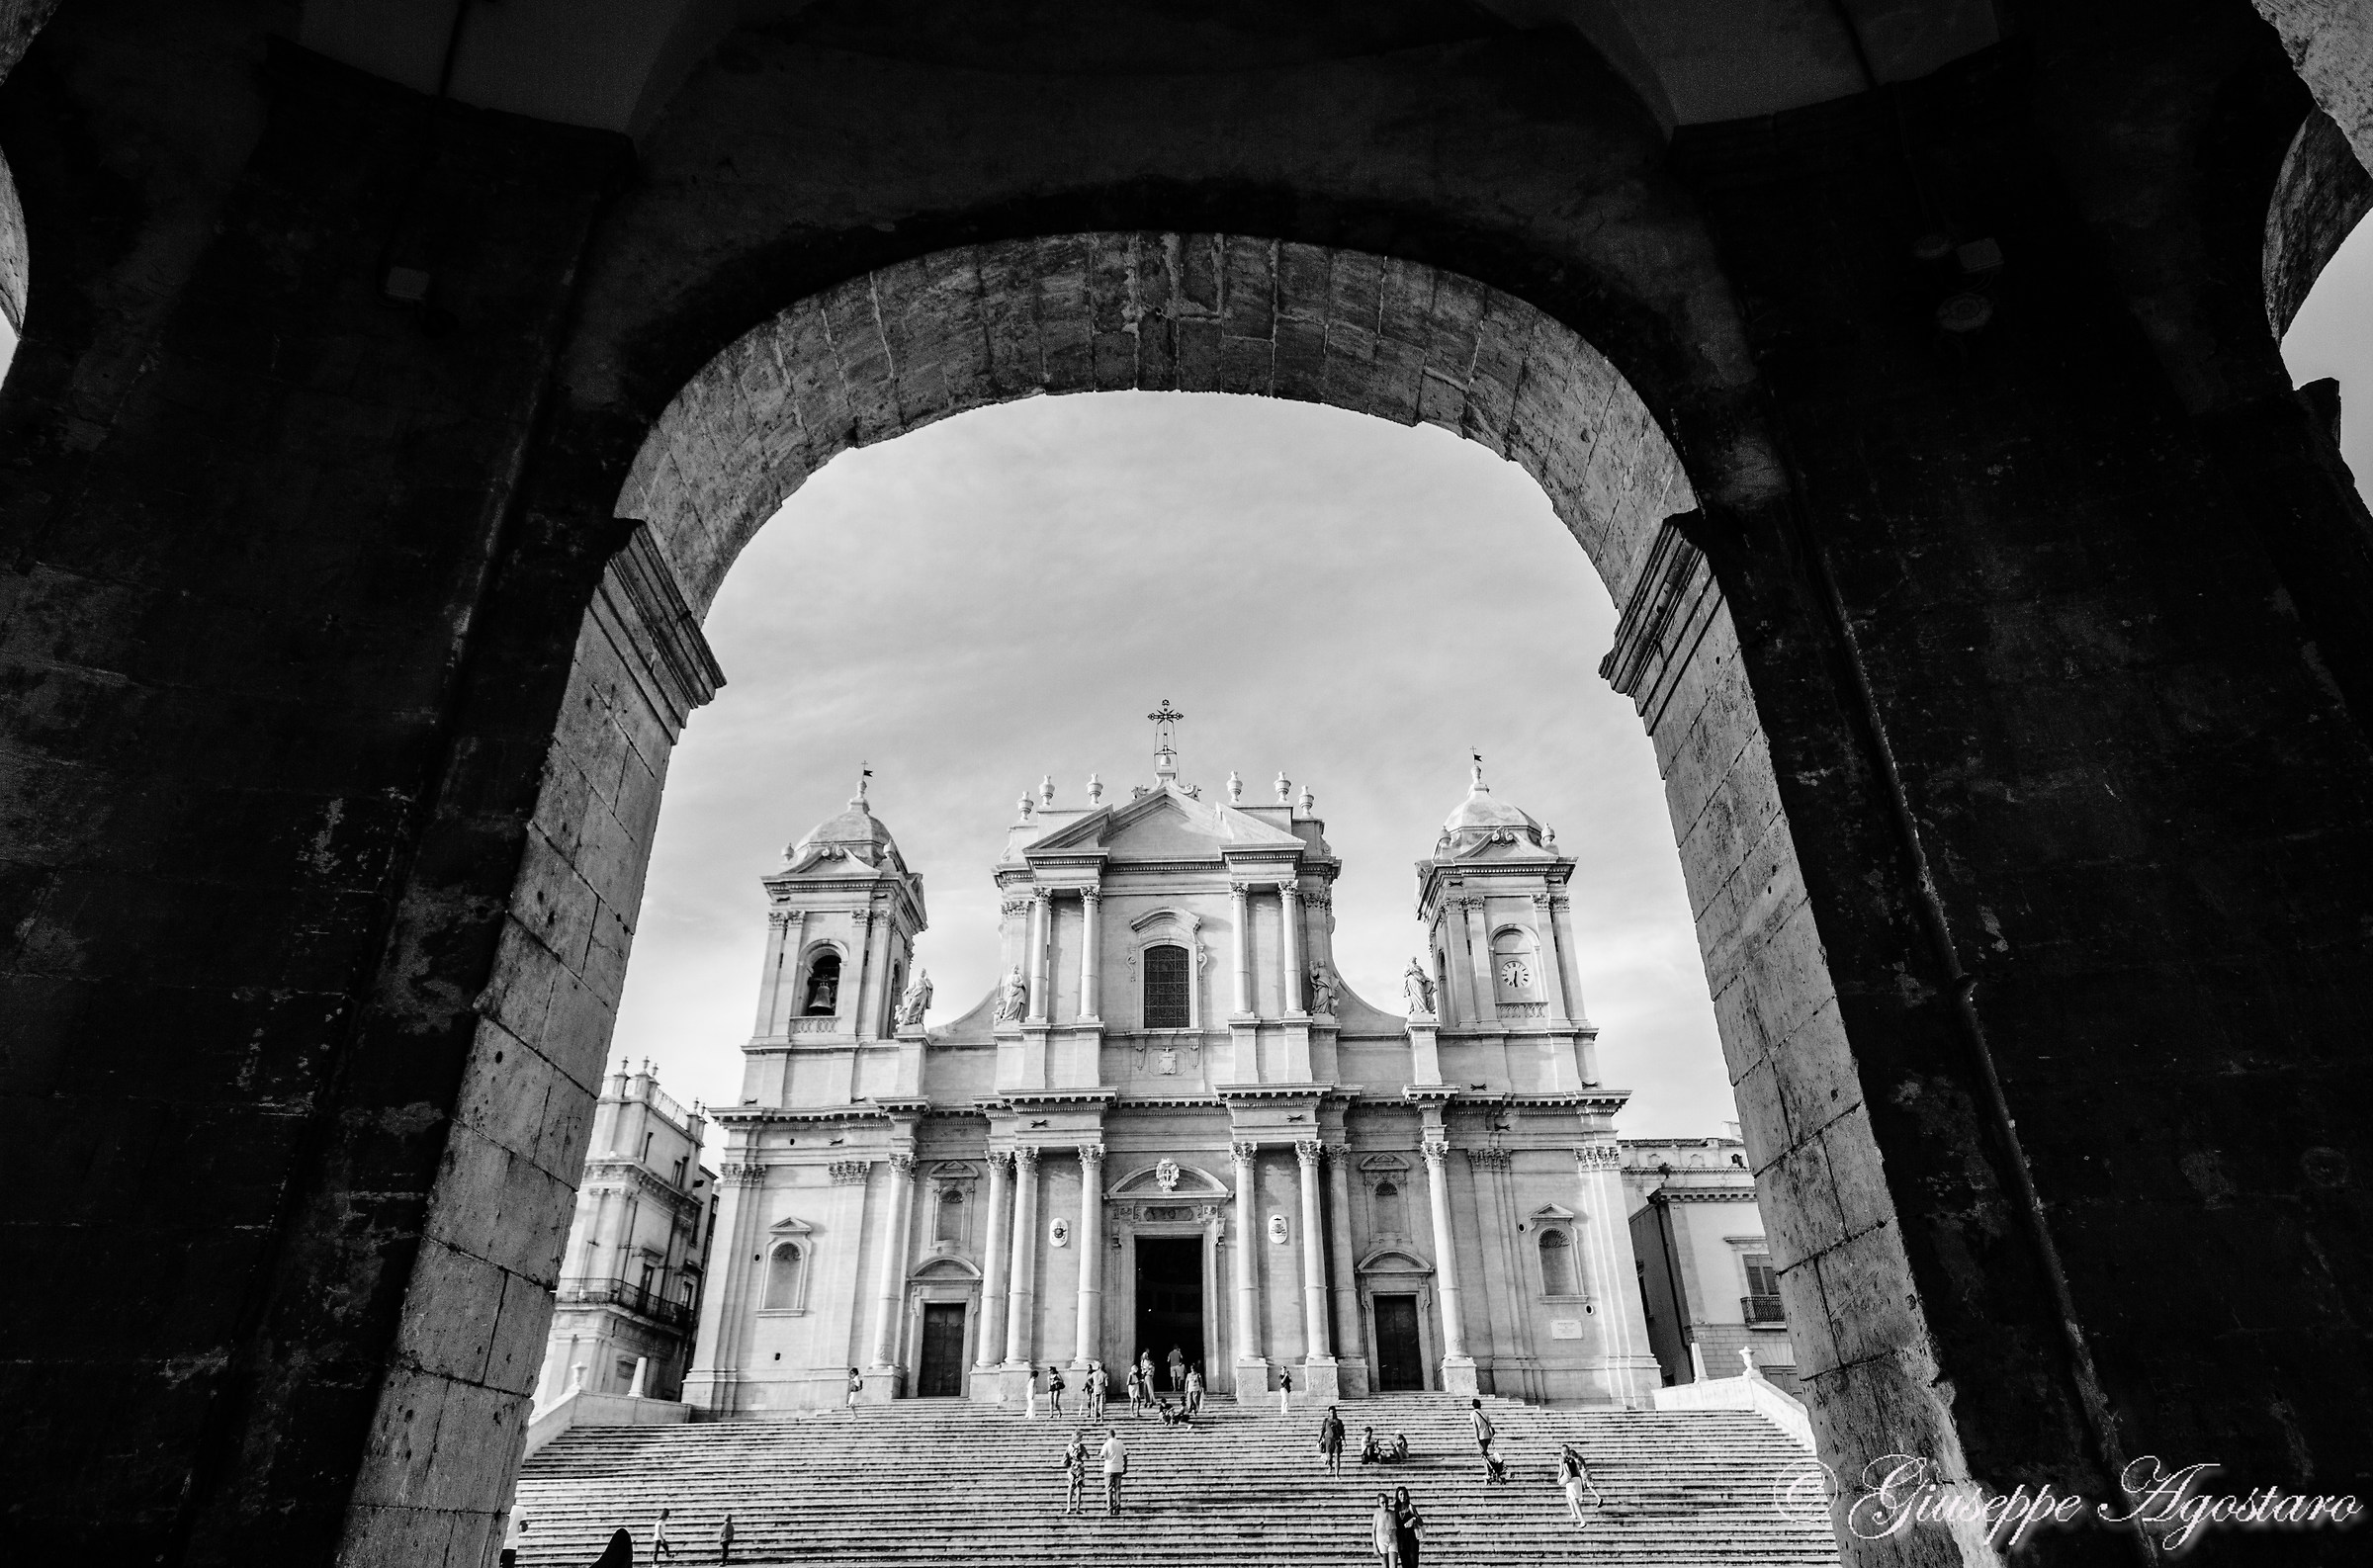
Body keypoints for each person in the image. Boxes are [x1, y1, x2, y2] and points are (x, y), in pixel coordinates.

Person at [1557, 1442, 1599, 1526]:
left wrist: (1559, 1478)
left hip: (1571, 1480)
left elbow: (1562, 1470)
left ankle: (1582, 1520)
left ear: (1562, 1452)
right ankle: (1573, 1513)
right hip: (1577, 1479)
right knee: (1568, 1495)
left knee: (1575, 1501)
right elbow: (1577, 1469)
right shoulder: (1573, 1458)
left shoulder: (1562, 1459)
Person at [1392, 1487, 1425, 1568]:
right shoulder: (1396, 1509)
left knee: (1413, 1563)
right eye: (1400, 1494)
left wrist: (1413, 1519)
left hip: (1411, 1539)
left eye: (1404, 1494)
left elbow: (1421, 1522)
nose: (1403, 1496)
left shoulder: (1410, 1507)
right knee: (1405, 1563)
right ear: (1397, 1496)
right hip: (1401, 1540)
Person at [1101, 1427, 1129, 1516]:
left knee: (1109, 1489)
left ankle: (1110, 1507)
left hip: (1109, 1469)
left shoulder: (1106, 1444)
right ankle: (1117, 1507)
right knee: (1117, 1489)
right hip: (1118, 1468)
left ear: (1108, 1435)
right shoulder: (1120, 1443)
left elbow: (1102, 1456)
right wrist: (1125, 1467)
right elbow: (1125, 1455)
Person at [1062, 1429, 1090, 1515]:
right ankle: (1077, 1507)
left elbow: (1066, 1457)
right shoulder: (1081, 1446)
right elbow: (1087, 1456)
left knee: (1070, 1488)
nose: (1081, 1438)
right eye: (1081, 1436)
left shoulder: (1069, 1446)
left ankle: (1068, 1508)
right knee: (1079, 1488)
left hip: (1071, 1468)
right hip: (1079, 1468)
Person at [1371, 1492, 1401, 1567]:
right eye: (1382, 1502)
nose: (1385, 1504)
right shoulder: (1377, 1514)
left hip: (1392, 1540)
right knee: (1385, 1565)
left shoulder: (1393, 1513)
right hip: (1381, 1541)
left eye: (1386, 1502)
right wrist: (1375, 1547)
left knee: (1393, 1565)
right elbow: (1373, 1531)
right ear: (1379, 1503)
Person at [1318, 1405, 1346, 1477]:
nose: (1332, 1414)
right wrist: (1319, 1440)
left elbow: (1342, 1432)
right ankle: (1330, 1467)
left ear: (1335, 1412)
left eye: (1333, 1412)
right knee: (1329, 1457)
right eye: (1331, 1412)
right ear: (1328, 1413)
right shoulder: (1326, 1421)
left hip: (1337, 1440)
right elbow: (1322, 1431)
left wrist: (1344, 1441)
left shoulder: (1339, 1421)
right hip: (1328, 1441)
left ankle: (1337, 1474)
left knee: (1337, 1457)